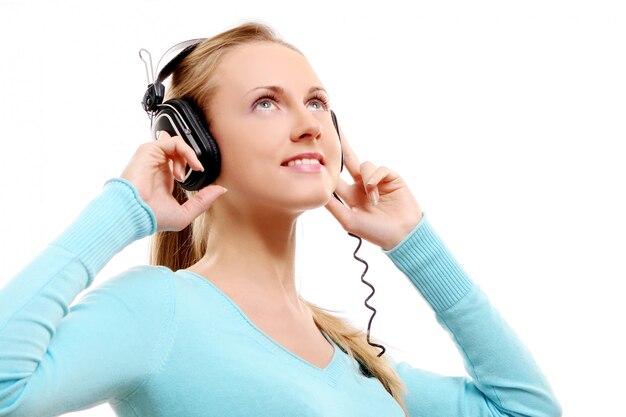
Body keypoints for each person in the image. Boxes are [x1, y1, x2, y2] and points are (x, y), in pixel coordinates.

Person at [0, 22, 561, 417]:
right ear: (195, 142)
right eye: (266, 102)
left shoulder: (352, 355)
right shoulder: (158, 309)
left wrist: (416, 245)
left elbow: (525, 410)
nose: (309, 124)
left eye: (316, 102)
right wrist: (123, 209)